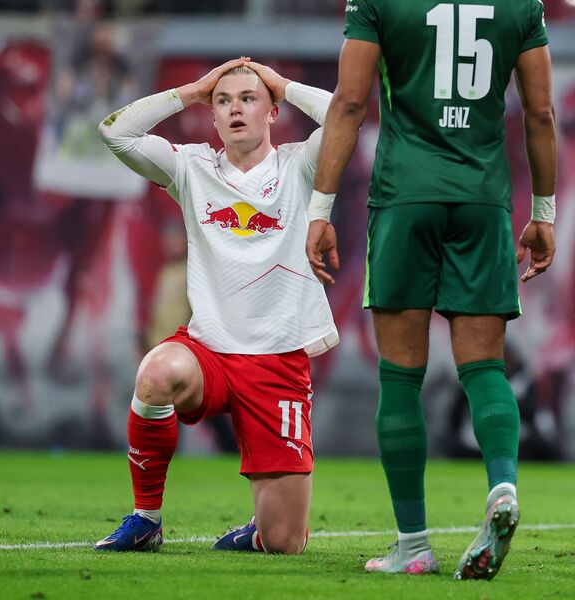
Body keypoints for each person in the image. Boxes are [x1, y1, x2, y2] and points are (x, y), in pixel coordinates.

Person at [306, 0, 556, 579]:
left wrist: (320, 209)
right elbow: (540, 113)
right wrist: (543, 213)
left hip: (404, 196)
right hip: (482, 199)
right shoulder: (522, 4)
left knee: (400, 375)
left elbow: (349, 102)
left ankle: (413, 546)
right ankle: (502, 487)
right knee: (484, 366)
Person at [94, 58, 340, 554]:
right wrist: (192, 90)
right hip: (209, 351)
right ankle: (146, 519)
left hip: (277, 362)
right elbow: (115, 132)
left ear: (272, 112)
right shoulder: (192, 167)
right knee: (156, 374)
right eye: (223, 101)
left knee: (285, 543)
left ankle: (261, 529)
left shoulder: (300, 164)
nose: (235, 109)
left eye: (249, 99)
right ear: (212, 114)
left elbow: (346, 115)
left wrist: (283, 85)